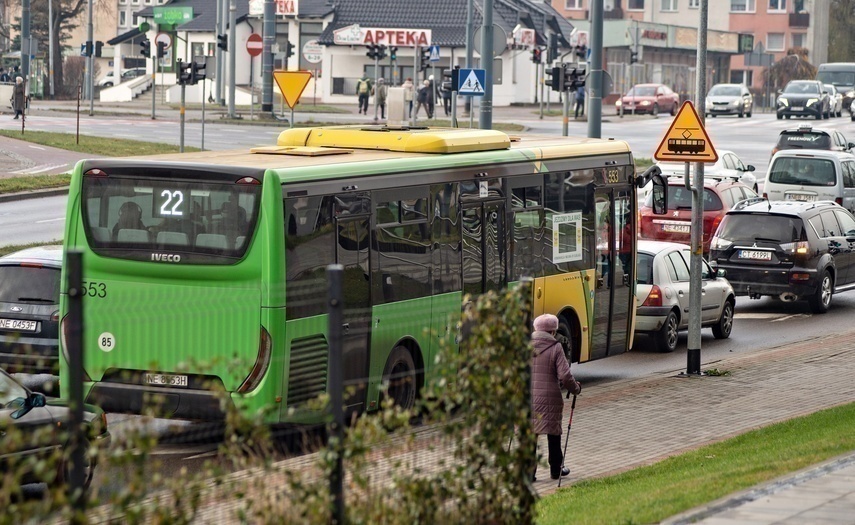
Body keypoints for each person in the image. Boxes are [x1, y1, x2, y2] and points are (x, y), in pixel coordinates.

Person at [530, 313, 581, 481]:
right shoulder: (555, 347)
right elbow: (565, 376)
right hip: (549, 398)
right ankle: (556, 469)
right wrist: (575, 389)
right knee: (553, 434)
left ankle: (528, 473)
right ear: (552, 331)